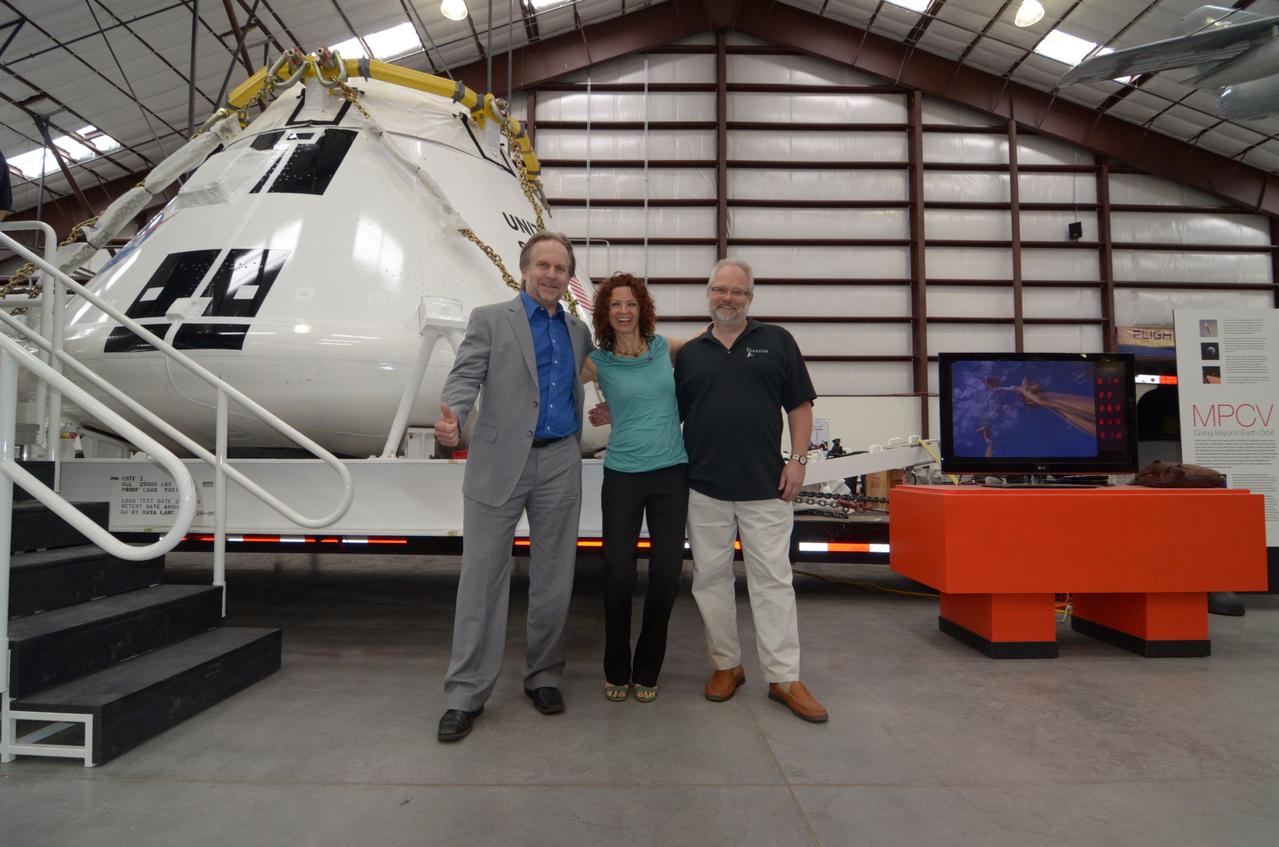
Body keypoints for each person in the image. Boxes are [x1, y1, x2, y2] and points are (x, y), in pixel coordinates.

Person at [432, 231, 595, 742]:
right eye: (542, 265)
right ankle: (464, 693)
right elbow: (464, 378)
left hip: (560, 461)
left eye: (560, 268)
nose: (551, 275)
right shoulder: (489, 320)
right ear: (523, 270)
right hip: (499, 460)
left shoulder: (577, 331)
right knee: (481, 580)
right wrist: (453, 416)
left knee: (554, 578)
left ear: (569, 278)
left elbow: (594, 376)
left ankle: (544, 675)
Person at [675, 257, 828, 723]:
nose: (727, 298)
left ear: (750, 298)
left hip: (767, 487)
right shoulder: (691, 353)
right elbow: (665, 412)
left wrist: (798, 463)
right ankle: (727, 666)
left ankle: (784, 677)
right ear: (708, 294)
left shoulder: (777, 341)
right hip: (703, 487)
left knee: (773, 582)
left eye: (737, 292)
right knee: (710, 581)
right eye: (720, 290)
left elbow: (800, 408)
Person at [581, 273, 687, 704]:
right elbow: (552, 384)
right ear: (604, 314)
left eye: (630, 303)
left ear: (642, 308)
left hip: (671, 474)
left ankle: (648, 668)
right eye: (614, 305)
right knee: (619, 576)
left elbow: (714, 342)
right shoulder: (597, 361)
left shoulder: (666, 349)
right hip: (622, 475)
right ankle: (616, 667)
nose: (623, 311)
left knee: (666, 576)